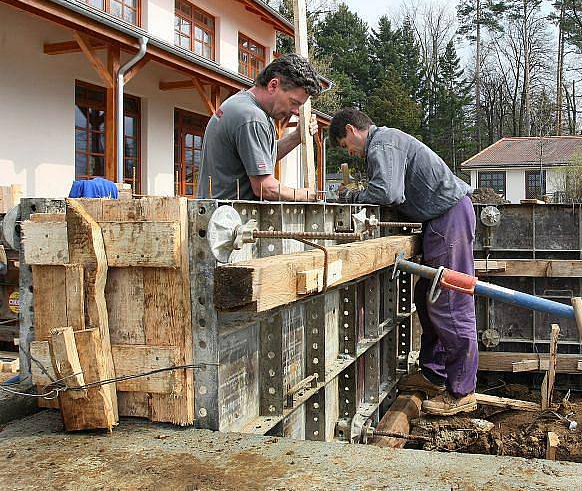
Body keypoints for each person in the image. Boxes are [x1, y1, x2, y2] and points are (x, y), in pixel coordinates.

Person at [328, 107, 478, 416]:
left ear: (352, 130)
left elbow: (387, 192)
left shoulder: (382, 144)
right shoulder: (388, 143)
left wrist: (349, 197)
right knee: (427, 298)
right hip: (440, 220)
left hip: (449, 218)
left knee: (449, 302)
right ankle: (434, 375)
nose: (351, 153)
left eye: (346, 145)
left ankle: (463, 391)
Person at [198, 54, 323, 201]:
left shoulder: (244, 105)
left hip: (220, 216)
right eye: (294, 102)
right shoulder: (252, 118)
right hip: (229, 219)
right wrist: (306, 195)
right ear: (273, 85)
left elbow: (264, 155)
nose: (296, 111)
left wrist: (297, 136)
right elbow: (264, 188)